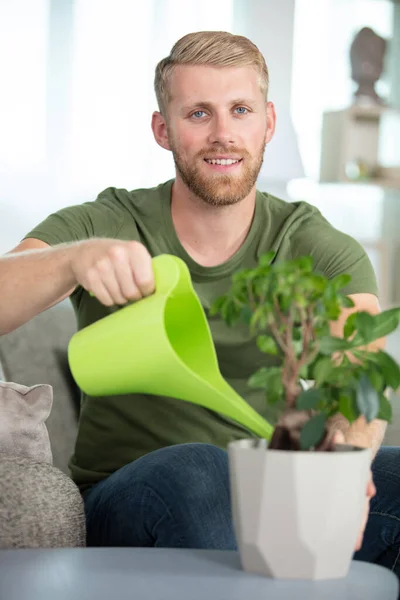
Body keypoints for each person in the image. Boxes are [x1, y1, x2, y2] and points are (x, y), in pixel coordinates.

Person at [0, 31, 399, 575]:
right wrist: (74, 261)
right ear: (163, 130)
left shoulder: (310, 241)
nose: (223, 135)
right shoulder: (109, 221)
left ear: (269, 123)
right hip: (131, 493)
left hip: (270, 486)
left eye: (240, 110)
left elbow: (360, 373)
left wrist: (341, 473)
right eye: (198, 114)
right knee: (203, 469)